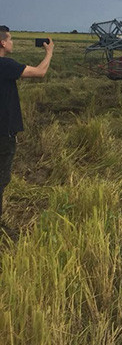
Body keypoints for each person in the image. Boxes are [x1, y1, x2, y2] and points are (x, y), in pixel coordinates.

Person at [0, 26, 54, 228]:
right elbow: (40, 72)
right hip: (3, 133)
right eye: (11, 39)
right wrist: (49, 53)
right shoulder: (5, 65)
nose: (13, 42)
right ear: (3, 43)